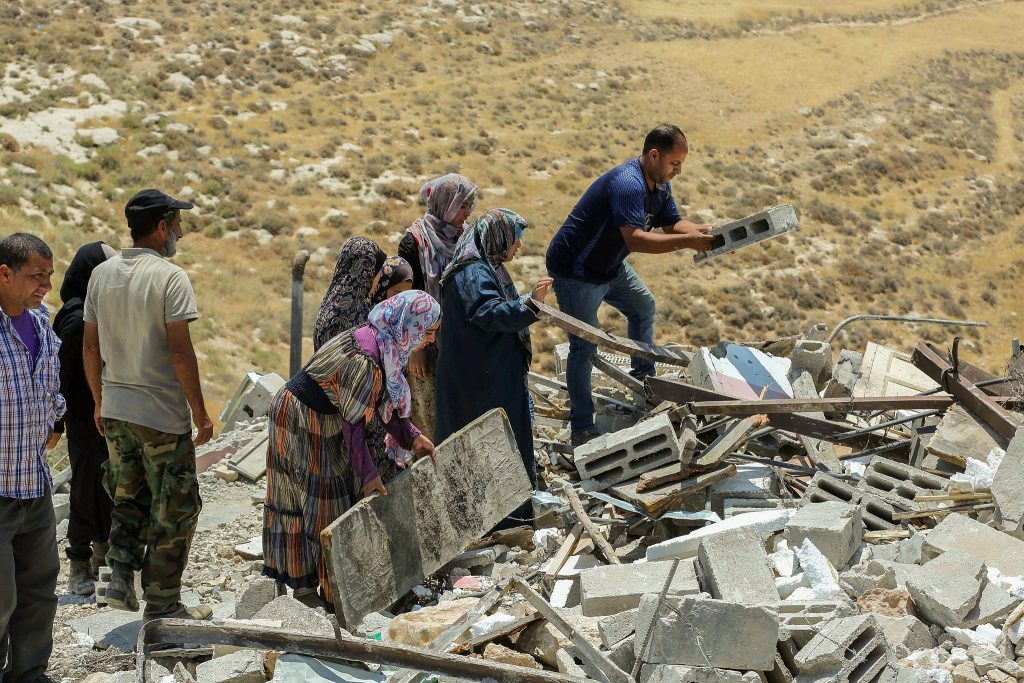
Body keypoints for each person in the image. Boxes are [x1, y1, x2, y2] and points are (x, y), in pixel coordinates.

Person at [83, 189, 214, 624]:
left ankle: (120, 576)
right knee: (175, 507)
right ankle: (162, 603)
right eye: (176, 223)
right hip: (160, 414)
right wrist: (200, 412)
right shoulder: (170, 277)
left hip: (117, 408)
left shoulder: (100, 275)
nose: (179, 231)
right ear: (160, 227)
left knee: (128, 494)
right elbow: (180, 352)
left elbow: (89, 345)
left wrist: (100, 401)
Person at [262, 290, 440, 608]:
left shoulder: (384, 346)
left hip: (320, 419)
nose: (429, 341)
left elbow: (384, 406)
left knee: (324, 499)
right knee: (316, 500)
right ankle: (311, 593)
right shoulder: (366, 359)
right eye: (427, 332)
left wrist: (412, 437)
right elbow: (354, 424)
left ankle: (325, 591)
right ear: (408, 325)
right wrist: (369, 475)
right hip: (300, 419)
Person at [545, 124, 716, 446]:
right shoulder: (628, 184)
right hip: (576, 272)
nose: (678, 170)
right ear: (654, 154)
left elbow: (671, 224)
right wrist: (687, 242)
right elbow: (635, 240)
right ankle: (582, 425)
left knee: (643, 307)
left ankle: (644, 382)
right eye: (674, 163)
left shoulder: (659, 185)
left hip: (608, 266)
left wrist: (701, 231)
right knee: (584, 344)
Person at [435, 208, 551, 491]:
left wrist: (527, 303)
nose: (519, 246)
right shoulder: (473, 271)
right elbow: (488, 312)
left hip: (484, 374)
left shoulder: (485, 266)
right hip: (479, 382)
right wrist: (530, 305)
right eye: (515, 239)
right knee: (488, 449)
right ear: (499, 238)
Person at [0, 232, 64, 683]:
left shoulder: (41, 322)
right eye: (35, 276)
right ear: (4, 273)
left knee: (39, 590)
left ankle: (27, 675)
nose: (44, 285)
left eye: (49, 276)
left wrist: (55, 420)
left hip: (35, 484)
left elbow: (50, 386)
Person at [52, 241, 118, 596]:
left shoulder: (93, 311)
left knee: (104, 485)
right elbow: (60, 376)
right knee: (84, 489)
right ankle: (79, 562)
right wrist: (57, 422)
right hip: (82, 417)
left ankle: (102, 554)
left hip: (100, 414)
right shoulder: (76, 319)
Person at [398, 173, 478, 440]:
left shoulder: (467, 237)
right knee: (430, 417)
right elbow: (407, 300)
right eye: (462, 205)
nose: (467, 213)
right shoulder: (415, 241)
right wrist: (415, 349)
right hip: (426, 345)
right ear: (446, 203)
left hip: (460, 338)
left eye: (470, 205)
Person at [313, 236, 413, 351]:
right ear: (366, 273)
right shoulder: (349, 319)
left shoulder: (332, 306)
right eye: (377, 271)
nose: (380, 276)